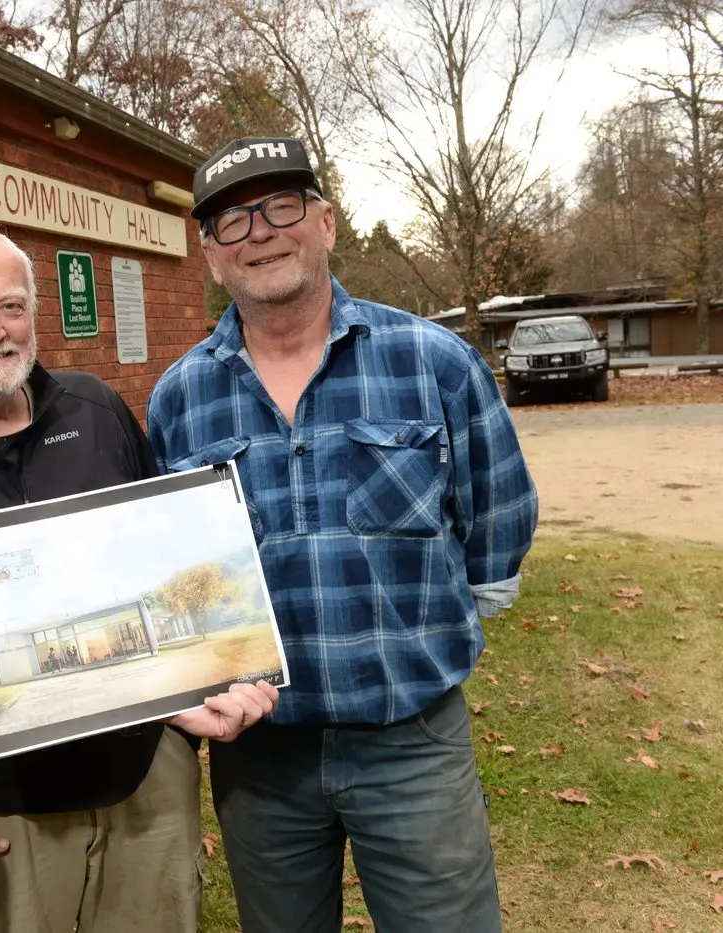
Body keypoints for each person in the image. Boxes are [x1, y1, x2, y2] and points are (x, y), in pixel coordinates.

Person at [147, 138, 538, 932]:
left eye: (281, 206)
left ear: (325, 223)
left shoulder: (434, 362)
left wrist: (421, 634)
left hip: (412, 743)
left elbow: (496, 519)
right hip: (260, 758)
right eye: (231, 221)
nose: (260, 232)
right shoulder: (179, 399)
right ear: (210, 255)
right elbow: (171, 573)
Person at [0, 223, 279, 933]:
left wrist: (203, 689)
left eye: (11, 306)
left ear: (35, 312)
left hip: (144, 788)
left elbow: (159, 566)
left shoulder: (97, 411)